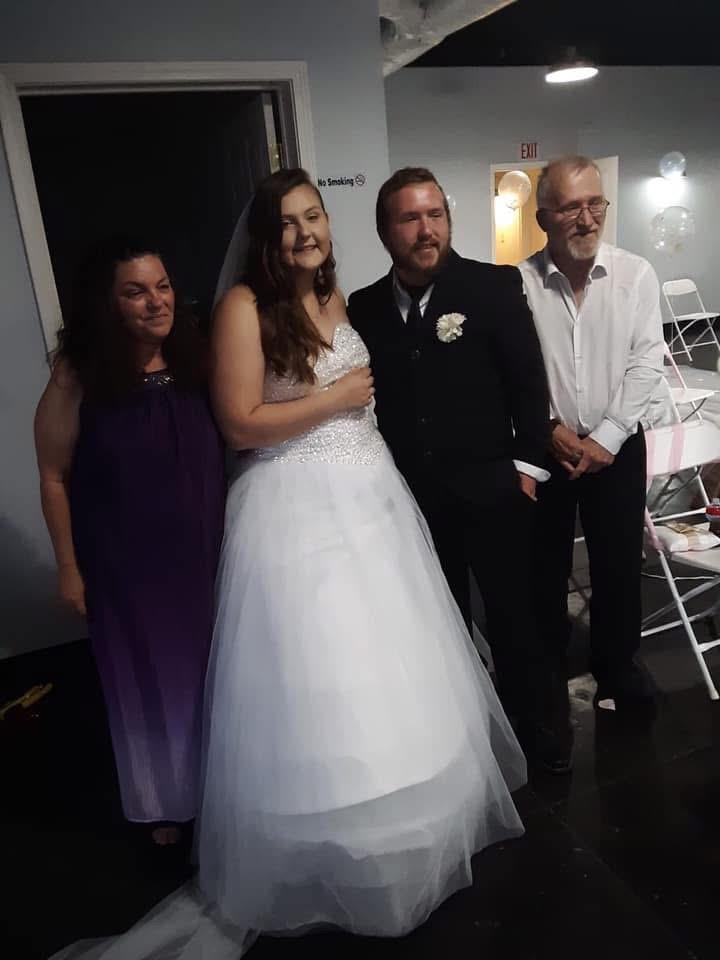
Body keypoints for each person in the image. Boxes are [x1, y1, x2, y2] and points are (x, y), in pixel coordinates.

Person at [49, 169, 526, 960]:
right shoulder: (242, 308)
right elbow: (239, 423)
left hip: (370, 497)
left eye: (315, 217)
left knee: (391, 658)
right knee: (319, 664)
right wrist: (333, 403)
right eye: (288, 223)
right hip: (295, 507)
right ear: (266, 239)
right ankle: (322, 839)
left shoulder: (337, 299)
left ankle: (409, 820)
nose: (305, 233)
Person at [347, 167, 569, 772]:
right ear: (384, 230)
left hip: (496, 488)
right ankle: (461, 739)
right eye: (410, 217)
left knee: (513, 617)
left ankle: (541, 734)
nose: (427, 229)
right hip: (413, 498)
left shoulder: (493, 286)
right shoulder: (363, 306)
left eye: (435, 214)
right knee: (436, 621)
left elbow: (528, 383)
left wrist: (526, 469)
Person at [35, 238, 226, 846]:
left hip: (204, 552)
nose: (155, 302)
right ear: (108, 304)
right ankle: (163, 807)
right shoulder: (79, 376)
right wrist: (69, 568)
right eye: (135, 291)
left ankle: (221, 792)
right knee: (144, 683)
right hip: (125, 563)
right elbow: (52, 476)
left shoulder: (198, 358)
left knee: (211, 675)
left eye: (163, 286)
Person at [518, 155, 665, 713]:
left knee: (619, 564)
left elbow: (648, 363)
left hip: (618, 449)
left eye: (595, 203)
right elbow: (521, 370)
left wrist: (607, 436)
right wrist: (551, 428)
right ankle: (544, 670)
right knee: (544, 564)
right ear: (544, 217)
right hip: (548, 449)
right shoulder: (520, 284)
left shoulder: (636, 275)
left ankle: (618, 668)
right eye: (571, 206)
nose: (586, 218)